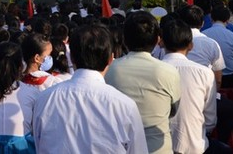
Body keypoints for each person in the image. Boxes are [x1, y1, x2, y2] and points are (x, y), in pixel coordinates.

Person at [33, 24, 147, 153]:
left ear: (72, 58)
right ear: (111, 59)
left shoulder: (45, 99)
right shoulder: (124, 105)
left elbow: (39, 145)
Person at [106, 11, 181, 154]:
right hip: (158, 147)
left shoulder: (111, 69)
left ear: (125, 39)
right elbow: (173, 110)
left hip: (122, 147)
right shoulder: (168, 71)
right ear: (157, 39)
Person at [161, 17, 217, 154]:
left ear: (161, 43)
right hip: (195, 146)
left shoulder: (152, 71)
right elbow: (210, 120)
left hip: (159, 147)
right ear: (191, 45)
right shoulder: (205, 73)